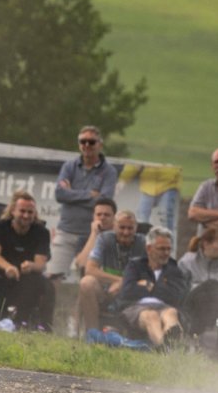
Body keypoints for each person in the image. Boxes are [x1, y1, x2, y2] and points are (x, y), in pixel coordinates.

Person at [51, 126, 119, 283]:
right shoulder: (69, 167)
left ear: (100, 145)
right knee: (53, 278)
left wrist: (72, 194)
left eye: (91, 142)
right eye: (83, 141)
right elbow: (59, 194)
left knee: (86, 280)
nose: (87, 145)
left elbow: (103, 202)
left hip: (93, 236)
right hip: (66, 233)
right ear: (79, 144)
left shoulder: (109, 171)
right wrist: (89, 194)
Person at [0, 191, 53, 329]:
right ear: (13, 211)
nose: (26, 215)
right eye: (22, 211)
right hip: (1, 273)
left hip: (28, 276)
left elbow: (40, 264)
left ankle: (32, 324)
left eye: (30, 212)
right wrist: (8, 267)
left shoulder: (41, 232)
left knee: (46, 286)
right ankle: (3, 319)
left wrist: (31, 266)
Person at [114, 226, 189, 349]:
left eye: (168, 249)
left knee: (171, 313)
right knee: (151, 315)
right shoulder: (135, 266)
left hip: (166, 306)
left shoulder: (175, 270)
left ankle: (171, 346)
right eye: (161, 249)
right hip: (136, 307)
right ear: (149, 249)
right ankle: (165, 348)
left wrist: (148, 285)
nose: (166, 253)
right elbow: (126, 292)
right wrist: (162, 287)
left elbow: (177, 297)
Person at [76, 209, 146, 338]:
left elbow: (150, 275)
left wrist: (124, 283)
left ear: (136, 229)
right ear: (114, 226)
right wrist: (119, 280)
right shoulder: (104, 238)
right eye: (122, 227)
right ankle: (92, 334)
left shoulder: (143, 242)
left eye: (130, 228)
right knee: (86, 283)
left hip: (133, 294)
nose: (126, 232)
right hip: (107, 291)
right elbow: (90, 269)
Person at [120, 161, 184, 235]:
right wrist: (123, 179)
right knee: (142, 215)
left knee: (165, 214)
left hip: (169, 182)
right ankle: (143, 240)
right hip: (149, 184)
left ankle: (167, 240)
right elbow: (135, 163)